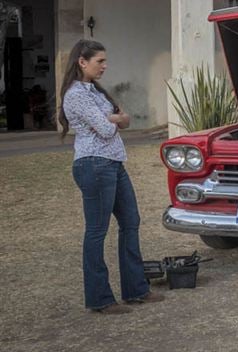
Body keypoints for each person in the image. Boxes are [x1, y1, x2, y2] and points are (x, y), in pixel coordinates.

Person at [58, 39, 164, 314]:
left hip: (114, 163)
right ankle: (99, 298)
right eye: (99, 61)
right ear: (82, 62)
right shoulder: (76, 95)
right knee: (97, 231)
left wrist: (113, 119)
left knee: (131, 221)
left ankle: (136, 289)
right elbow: (108, 129)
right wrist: (115, 119)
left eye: (105, 60)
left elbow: (124, 121)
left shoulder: (96, 91)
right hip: (94, 165)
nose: (105, 66)